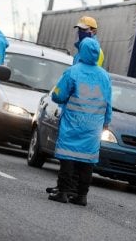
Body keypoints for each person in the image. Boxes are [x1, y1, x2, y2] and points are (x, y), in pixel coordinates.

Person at [47, 37, 112, 206]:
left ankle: (62, 192)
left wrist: (58, 95)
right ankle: (81, 196)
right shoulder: (105, 76)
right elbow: (108, 103)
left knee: (68, 157)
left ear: (82, 51)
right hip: (93, 126)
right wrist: (107, 121)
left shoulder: (73, 72)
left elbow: (58, 95)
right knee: (87, 162)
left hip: (73, 123)